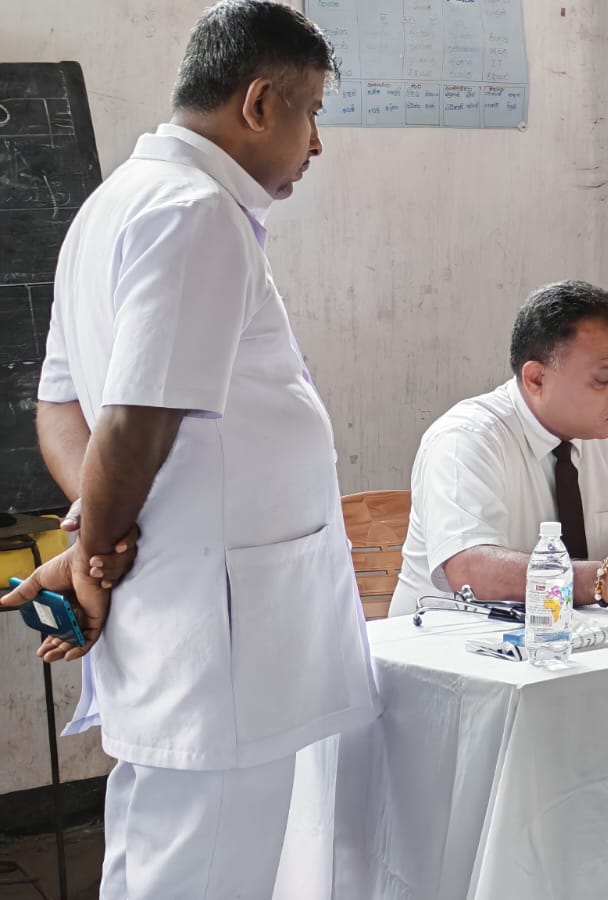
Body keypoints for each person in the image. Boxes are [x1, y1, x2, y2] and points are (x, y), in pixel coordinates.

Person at [0, 3, 380, 898]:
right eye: (310, 112)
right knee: (206, 870)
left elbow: (59, 407)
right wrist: (95, 550)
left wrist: (95, 535)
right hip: (221, 639)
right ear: (259, 103)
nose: (315, 143)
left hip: (189, 616)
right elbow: (132, 424)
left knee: (157, 859)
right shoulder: (194, 213)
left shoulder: (112, 205)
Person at [388, 279, 608, 619]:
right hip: (455, 643)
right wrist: (605, 580)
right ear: (536, 379)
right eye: (603, 378)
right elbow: (469, 569)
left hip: (585, 643)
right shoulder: (465, 439)